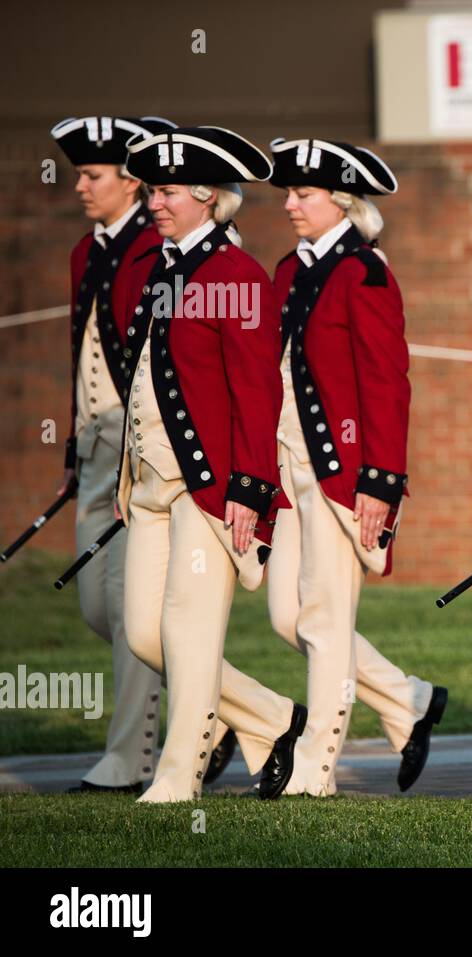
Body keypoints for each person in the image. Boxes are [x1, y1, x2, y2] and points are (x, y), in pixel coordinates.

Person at [117, 125, 305, 803]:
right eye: (152, 190)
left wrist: (250, 489)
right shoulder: (154, 269)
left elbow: (259, 393)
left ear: (205, 197)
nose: (155, 202)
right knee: (144, 631)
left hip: (213, 487)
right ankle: (271, 716)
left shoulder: (238, 275)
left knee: (189, 630)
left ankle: (178, 777)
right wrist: (126, 475)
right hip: (149, 487)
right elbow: (146, 374)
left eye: (165, 191)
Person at [265, 136, 449, 796]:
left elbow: (387, 384)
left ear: (339, 201)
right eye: (287, 192)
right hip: (288, 470)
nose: (289, 203)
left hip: (344, 474)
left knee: (323, 615)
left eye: (302, 193)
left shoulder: (363, 273)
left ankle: (316, 767)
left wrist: (381, 483)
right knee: (288, 616)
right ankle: (409, 699)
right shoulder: (289, 270)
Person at [51, 115, 173, 794]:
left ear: (132, 180)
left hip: (140, 454)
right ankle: (245, 716)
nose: (78, 186)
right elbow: (83, 352)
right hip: (95, 450)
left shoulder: (159, 250)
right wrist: (73, 442)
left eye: (92, 175)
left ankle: (130, 756)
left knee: (134, 611)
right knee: (98, 607)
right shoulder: (84, 253)